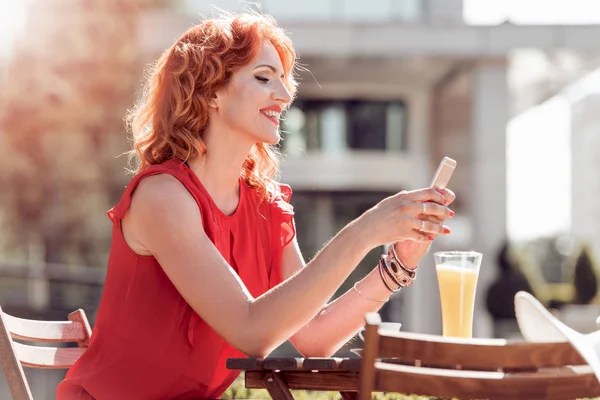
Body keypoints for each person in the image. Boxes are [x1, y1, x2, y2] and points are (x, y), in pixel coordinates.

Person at [56, 11, 455, 400]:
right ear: (211, 91)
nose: (284, 96)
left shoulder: (264, 205)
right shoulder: (164, 197)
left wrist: (397, 265)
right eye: (264, 78)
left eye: (284, 81)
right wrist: (363, 230)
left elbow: (315, 337)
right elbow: (251, 331)